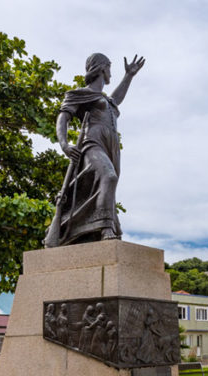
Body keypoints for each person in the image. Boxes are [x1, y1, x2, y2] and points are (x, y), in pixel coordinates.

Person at [43, 52, 145, 248]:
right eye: (109, 68)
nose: (110, 73)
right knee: (109, 177)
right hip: (93, 142)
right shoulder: (80, 94)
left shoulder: (105, 99)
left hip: (111, 147)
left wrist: (129, 76)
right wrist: (64, 144)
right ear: (101, 68)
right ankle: (105, 227)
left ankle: (94, 227)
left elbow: (115, 99)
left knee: (107, 186)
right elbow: (63, 117)